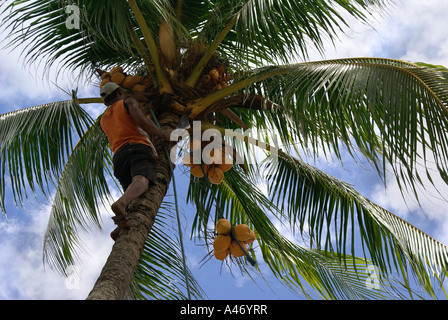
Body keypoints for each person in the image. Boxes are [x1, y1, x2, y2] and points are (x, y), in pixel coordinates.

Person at [99, 82, 171, 240]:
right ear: (119, 92)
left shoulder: (103, 120)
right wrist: (162, 134)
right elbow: (142, 123)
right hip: (136, 148)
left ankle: (120, 226)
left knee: (134, 194)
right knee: (142, 182)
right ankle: (121, 203)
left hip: (119, 157)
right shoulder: (128, 102)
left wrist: (143, 112)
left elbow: (124, 123)